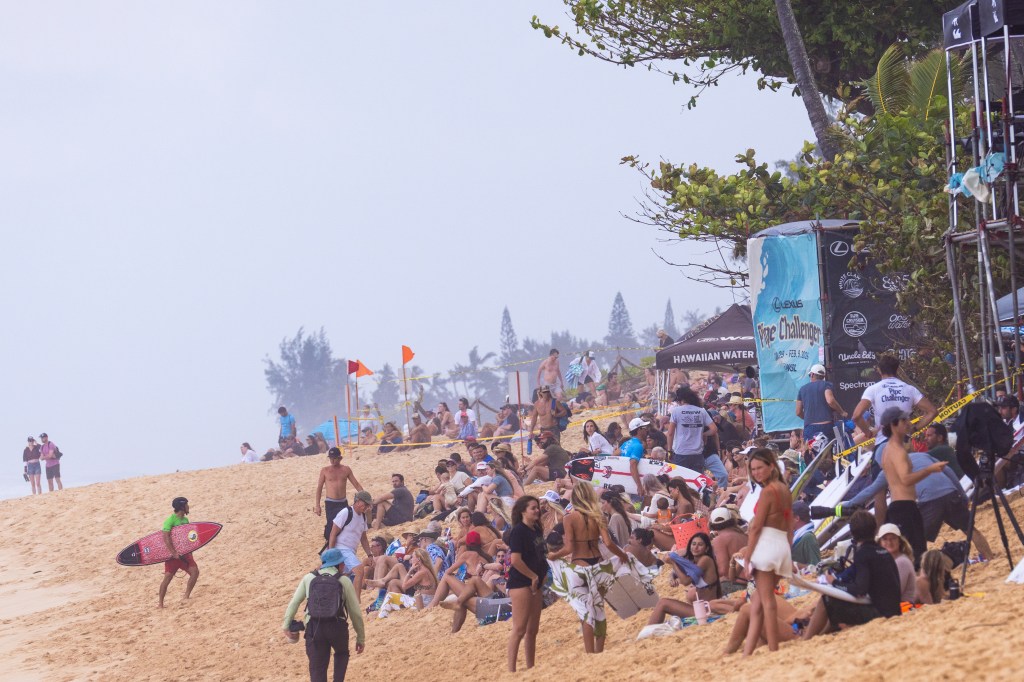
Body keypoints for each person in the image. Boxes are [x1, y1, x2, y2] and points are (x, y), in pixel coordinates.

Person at [847, 433, 993, 561]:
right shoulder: (921, 455)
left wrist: (847, 504)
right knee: (970, 529)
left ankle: (919, 568)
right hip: (950, 492)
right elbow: (947, 470)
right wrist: (963, 494)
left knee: (917, 538)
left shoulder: (888, 470)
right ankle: (989, 556)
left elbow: (870, 491)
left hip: (930, 500)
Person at [546, 483, 628, 654]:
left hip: (580, 566)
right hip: (597, 565)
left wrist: (554, 556)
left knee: (585, 613)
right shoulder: (598, 516)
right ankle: (599, 650)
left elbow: (569, 548)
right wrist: (622, 556)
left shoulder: (569, 518)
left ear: (575, 498)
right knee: (599, 610)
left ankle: (590, 653)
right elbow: (608, 543)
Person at [802, 510, 902, 639]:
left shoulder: (863, 554)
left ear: (853, 533)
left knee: (826, 600)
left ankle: (806, 639)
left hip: (881, 614)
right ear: (874, 530)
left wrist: (834, 582)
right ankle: (820, 636)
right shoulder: (883, 552)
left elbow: (860, 590)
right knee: (835, 602)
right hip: (895, 610)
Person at [870, 408, 947, 568]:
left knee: (907, 556)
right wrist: (930, 469)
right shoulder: (896, 451)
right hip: (904, 508)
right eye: (904, 420)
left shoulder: (889, 449)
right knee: (916, 556)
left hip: (900, 507)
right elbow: (905, 479)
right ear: (893, 425)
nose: (908, 423)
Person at [281, 548, 365, 682]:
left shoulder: (309, 578)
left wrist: (286, 625)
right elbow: (355, 612)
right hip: (337, 627)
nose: (344, 565)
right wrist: (360, 638)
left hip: (314, 628)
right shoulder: (344, 580)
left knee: (317, 668)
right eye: (342, 563)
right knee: (341, 654)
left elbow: (294, 602)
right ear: (339, 564)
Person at [740, 448, 792, 655]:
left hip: (767, 544)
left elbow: (756, 527)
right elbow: (789, 524)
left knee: (766, 601)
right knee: (759, 601)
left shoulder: (768, 491)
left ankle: (773, 647)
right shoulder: (784, 489)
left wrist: (748, 556)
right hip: (781, 544)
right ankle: (748, 651)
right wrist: (788, 550)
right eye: (753, 470)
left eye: (759, 468)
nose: (756, 473)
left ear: (771, 466)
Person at [852, 354, 937, 446]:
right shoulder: (910, 389)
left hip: (884, 442)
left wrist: (868, 433)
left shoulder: (873, 389)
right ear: (897, 369)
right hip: (904, 442)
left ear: (879, 370)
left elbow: (856, 416)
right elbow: (932, 411)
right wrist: (914, 429)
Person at [506, 496, 547, 672]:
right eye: (533, 508)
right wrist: (532, 576)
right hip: (521, 582)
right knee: (519, 628)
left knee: (533, 629)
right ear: (523, 511)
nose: (537, 510)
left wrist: (541, 576)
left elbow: (541, 555)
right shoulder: (519, 531)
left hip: (536, 581)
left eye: (537, 507)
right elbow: (515, 560)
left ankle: (531, 667)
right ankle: (511, 670)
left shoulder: (536, 529)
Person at [316, 448, 365, 550]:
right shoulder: (325, 470)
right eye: (331, 458)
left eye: (334, 458)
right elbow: (319, 488)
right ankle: (330, 547)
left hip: (343, 502)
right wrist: (317, 506)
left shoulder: (346, 469)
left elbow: (356, 484)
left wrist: (365, 497)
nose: (332, 460)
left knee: (343, 525)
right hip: (330, 502)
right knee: (331, 525)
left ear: (340, 458)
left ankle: (340, 546)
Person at [327, 490, 374, 595]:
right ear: (358, 501)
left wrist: (369, 554)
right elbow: (333, 534)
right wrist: (331, 553)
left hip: (351, 551)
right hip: (341, 548)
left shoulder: (363, 517)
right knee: (359, 570)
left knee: (344, 578)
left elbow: (363, 538)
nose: (367, 507)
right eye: (365, 504)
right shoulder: (346, 512)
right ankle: (357, 600)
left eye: (368, 505)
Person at [158, 497, 200, 607]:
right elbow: (166, 538)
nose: (188, 506)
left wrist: (190, 551)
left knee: (195, 572)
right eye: (186, 505)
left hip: (184, 555)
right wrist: (173, 553)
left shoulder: (185, 520)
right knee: (167, 578)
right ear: (182, 507)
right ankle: (160, 604)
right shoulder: (170, 520)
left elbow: (187, 537)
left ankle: (186, 596)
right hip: (172, 557)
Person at [795, 364, 847, 442]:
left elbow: (798, 412)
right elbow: (830, 400)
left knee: (811, 449)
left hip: (810, 428)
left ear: (812, 374)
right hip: (826, 426)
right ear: (823, 376)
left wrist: (809, 419)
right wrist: (842, 412)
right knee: (828, 448)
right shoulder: (827, 385)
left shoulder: (802, 389)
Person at [709, 507, 748, 595]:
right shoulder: (743, 535)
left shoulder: (719, 540)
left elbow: (723, 570)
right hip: (752, 582)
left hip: (739, 584)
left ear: (712, 524)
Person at [875, 523, 918, 603]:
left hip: (903, 607)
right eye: (885, 539)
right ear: (880, 543)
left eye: (893, 538)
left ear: (899, 541)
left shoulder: (902, 562)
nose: (889, 542)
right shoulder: (887, 562)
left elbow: (892, 593)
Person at [620, 417, 650, 497]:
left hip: (625, 480)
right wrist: (639, 486)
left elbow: (614, 455)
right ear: (639, 430)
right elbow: (633, 464)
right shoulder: (638, 446)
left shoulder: (626, 443)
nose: (646, 430)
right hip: (633, 483)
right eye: (644, 428)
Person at [789, 501, 820, 569]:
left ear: (797, 518)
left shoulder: (808, 538)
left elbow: (816, 567)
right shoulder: (795, 535)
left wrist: (795, 565)